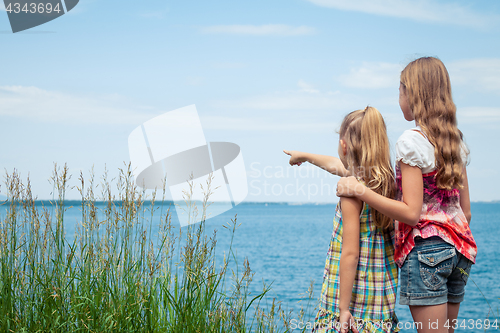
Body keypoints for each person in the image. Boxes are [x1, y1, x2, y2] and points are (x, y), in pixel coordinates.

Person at [337, 57, 477, 333]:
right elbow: (466, 212)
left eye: (400, 90)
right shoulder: (453, 140)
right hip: (460, 251)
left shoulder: (411, 142)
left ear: (413, 95)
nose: (399, 96)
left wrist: (360, 191)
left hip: (427, 252)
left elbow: (412, 213)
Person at [284, 106, 399, 333]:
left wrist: (343, 309)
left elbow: (350, 253)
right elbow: (337, 165)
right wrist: (305, 156)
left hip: (351, 303)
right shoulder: (385, 183)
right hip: (379, 303)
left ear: (344, 146)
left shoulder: (351, 191)